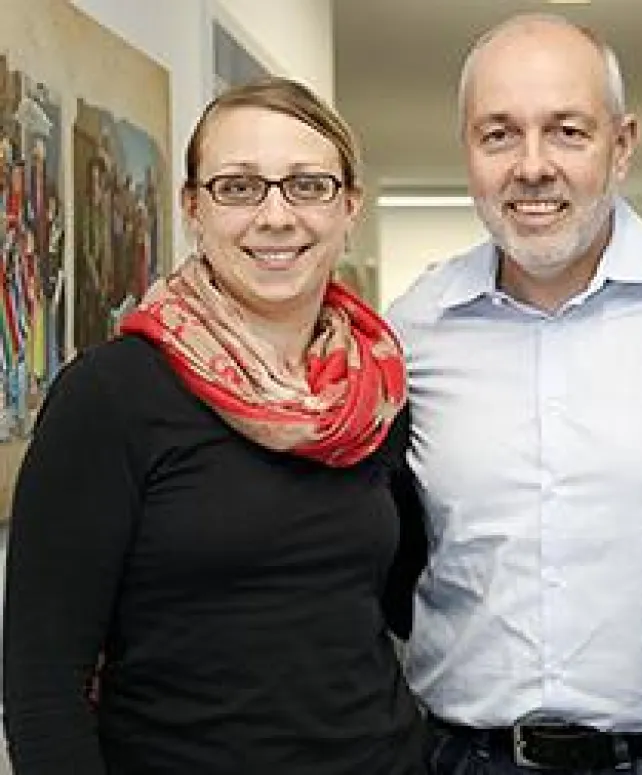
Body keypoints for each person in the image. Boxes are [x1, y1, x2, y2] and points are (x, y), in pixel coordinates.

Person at [385, 13, 642, 775]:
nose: (533, 166)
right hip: (460, 757)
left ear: (623, 145)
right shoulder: (411, 330)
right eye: (499, 134)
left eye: (568, 131)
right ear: (468, 153)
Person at [3, 76, 428, 774]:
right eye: (238, 186)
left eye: (307, 185)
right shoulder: (111, 396)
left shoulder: (374, 389)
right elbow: (42, 687)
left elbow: (382, 607)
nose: (275, 215)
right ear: (192, 208)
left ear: (350, 206)